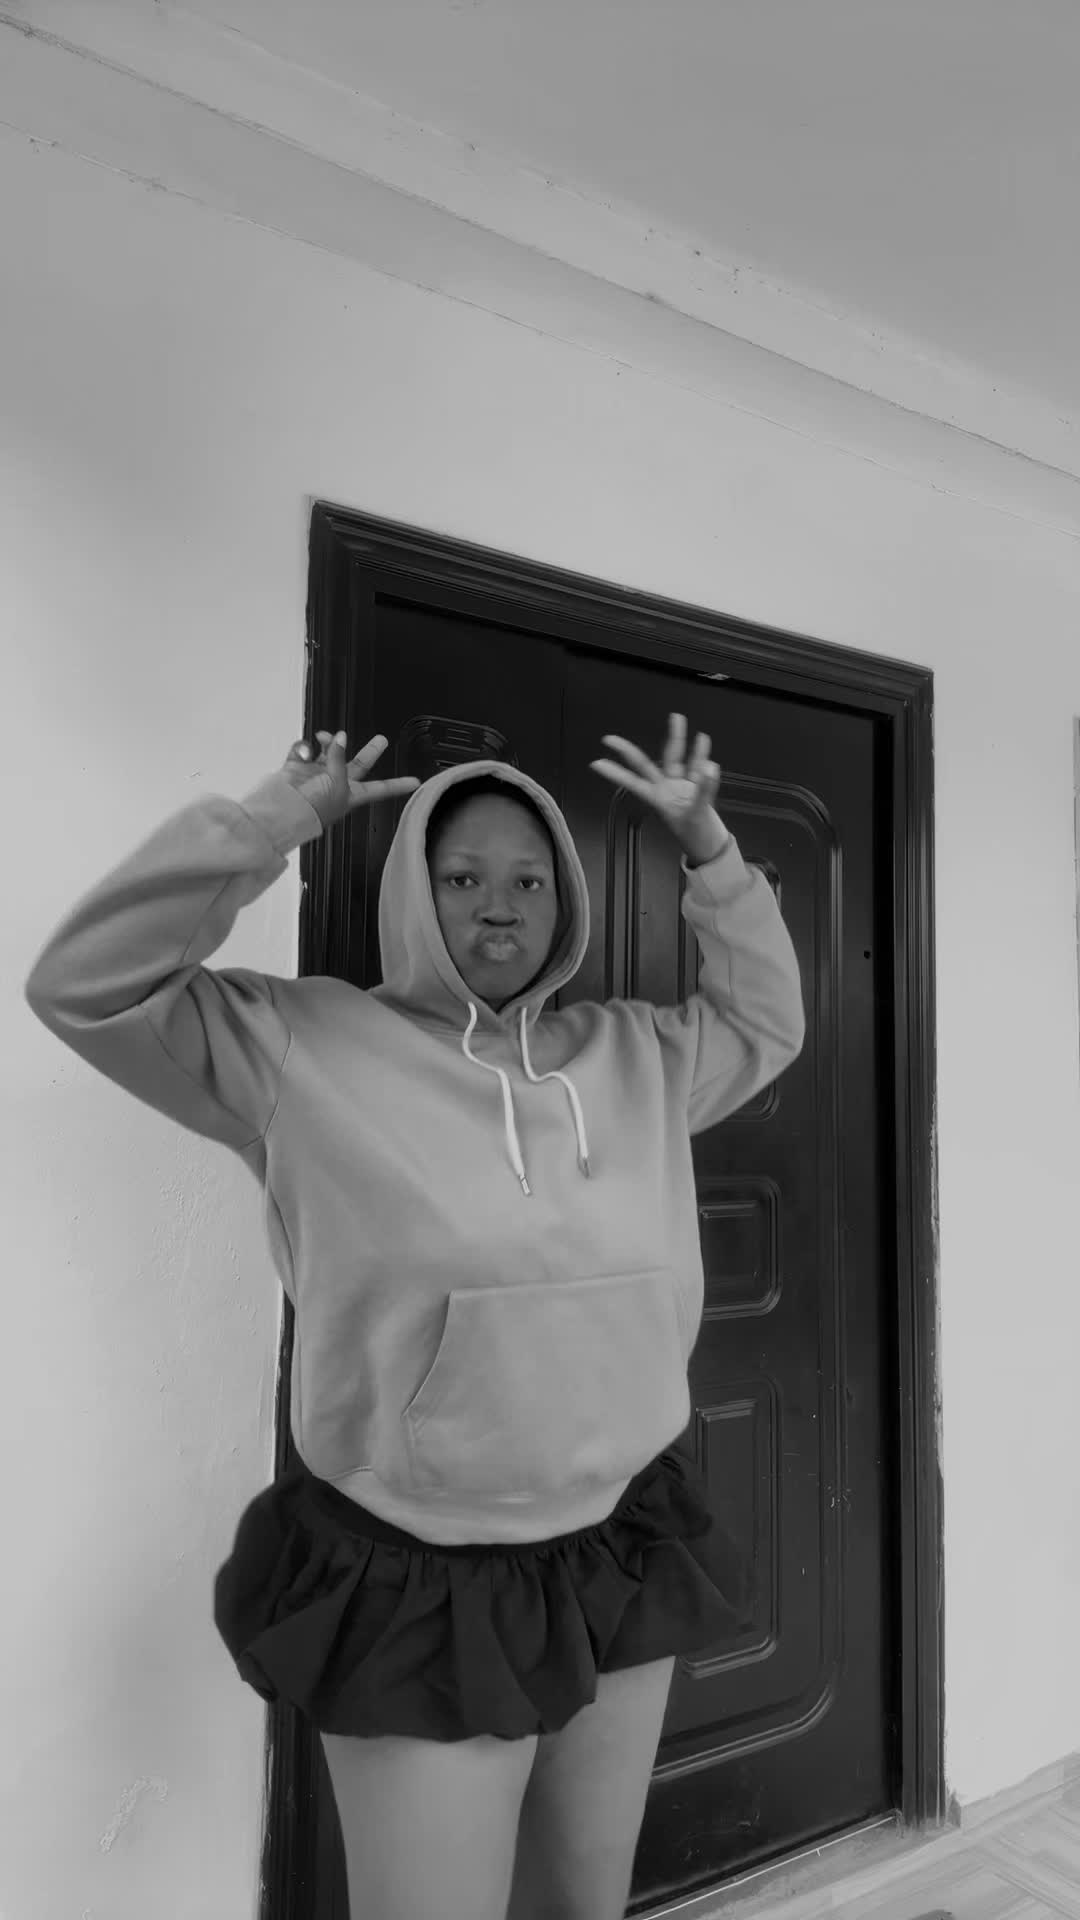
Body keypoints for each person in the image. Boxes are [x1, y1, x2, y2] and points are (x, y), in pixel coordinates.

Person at [23, 710, 804, 1920]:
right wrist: (273, 822)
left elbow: (766, 1024)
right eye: (463, 878)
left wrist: (710, 850)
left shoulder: (638, 1055)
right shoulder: (297, 1047)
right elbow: (86, 984)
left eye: (529, 880)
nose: (498, 907)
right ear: (413, 895)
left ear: (566, 902)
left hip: (619, 1544)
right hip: (422, 1580)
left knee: (583, 1903)